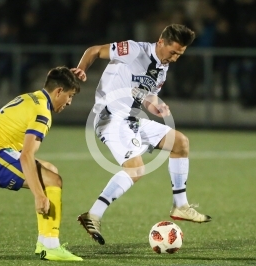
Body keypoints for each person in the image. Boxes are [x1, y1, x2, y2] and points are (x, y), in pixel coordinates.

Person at [71, 24, 212, 245]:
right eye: (173, 52)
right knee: (136, 169)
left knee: (180, 143)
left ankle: (180, 206)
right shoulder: (134, 50)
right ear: (161, 42)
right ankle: (93, 214)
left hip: (130, 120)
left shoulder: (162, 68)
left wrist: (155, 106)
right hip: (110, 117)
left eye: (180, 54)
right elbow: (95, 51)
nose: (175, 58)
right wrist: (81, 69)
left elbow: (145, 95)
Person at [0, 66, 83, 261]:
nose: (69, 102)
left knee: (51, 171)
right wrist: (39, 195)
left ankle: (44, 243)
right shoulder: (42, 113)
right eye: (70, 96)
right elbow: (26, 155)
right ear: (59, 91)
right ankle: (50, 246)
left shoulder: (32, 97)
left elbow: (6, 131)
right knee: (52, 180)